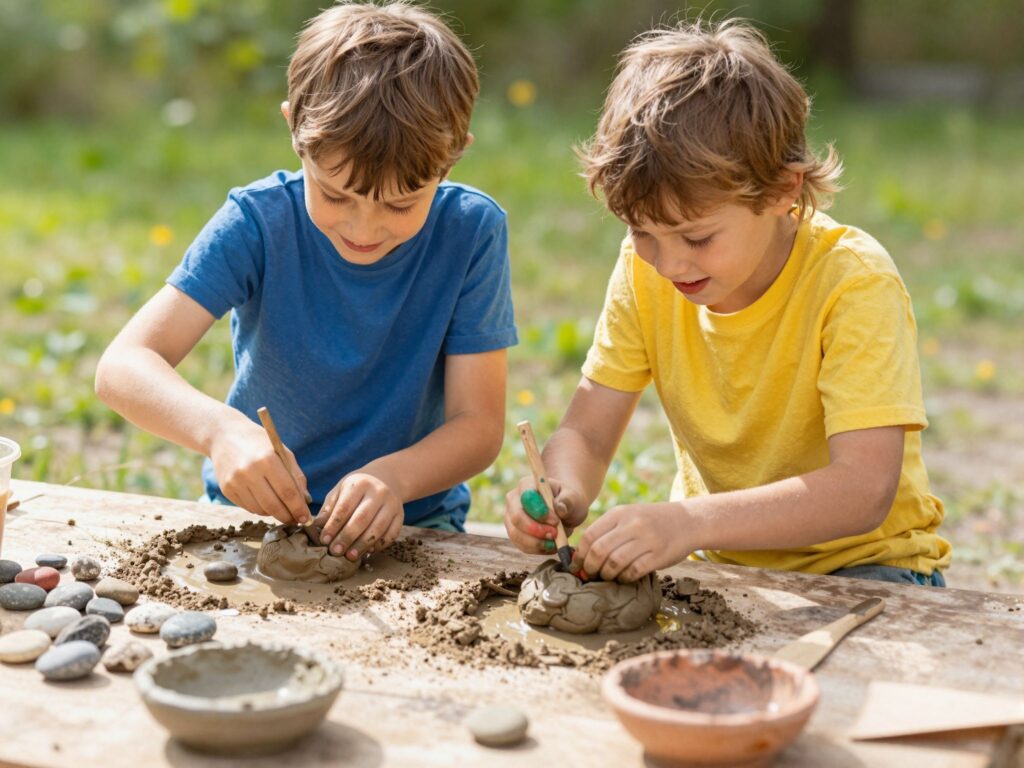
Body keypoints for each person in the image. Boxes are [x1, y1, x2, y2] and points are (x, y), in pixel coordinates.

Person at [504, 19, 950, 586]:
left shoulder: (853, 282)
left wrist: (688, 522)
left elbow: (864, 490)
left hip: (866, 569)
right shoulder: (645, 272)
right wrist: (561, 488)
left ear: (782, 191)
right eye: (642, 232)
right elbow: (588, 433)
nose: (669, 265)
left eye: (697, 238)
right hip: (718, 560)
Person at [96, 3, 517, 562]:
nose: (363, 227)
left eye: (400, 204)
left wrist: (394, 478)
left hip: (414, 514)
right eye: (337, 194)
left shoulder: (471, 232)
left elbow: (478, 424)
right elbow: (123, 366)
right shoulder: (257, 223)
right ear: (296, 128)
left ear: (454, 155)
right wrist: (221, 432)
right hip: (255, 512)